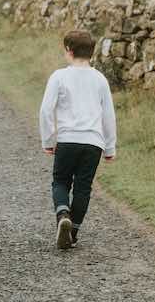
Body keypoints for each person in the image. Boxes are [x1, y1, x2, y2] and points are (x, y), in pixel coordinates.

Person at [39, 29, 117, 250]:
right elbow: (108, 115)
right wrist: (109, 147)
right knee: (83, 188)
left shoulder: (59, 76)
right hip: (93, 143)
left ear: (69, 51)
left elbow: (46, 110)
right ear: (91, 53)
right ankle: (72, 233)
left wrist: (48, 139)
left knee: (61, 181)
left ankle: (63, 213)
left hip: (67, 139)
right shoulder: (100, 79)